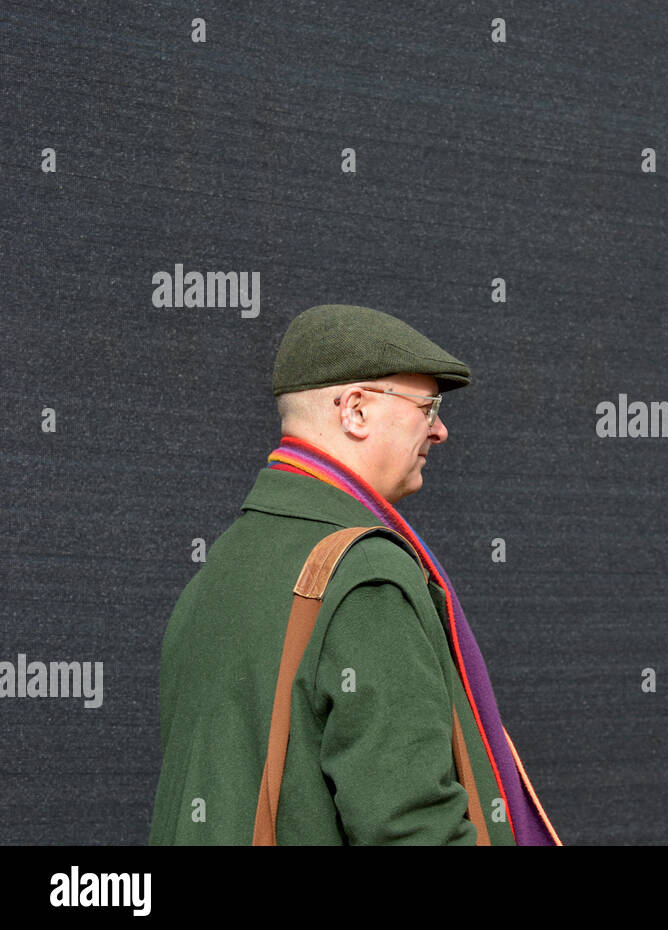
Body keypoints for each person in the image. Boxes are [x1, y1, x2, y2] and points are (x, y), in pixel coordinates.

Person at [149, 303, 560, 845]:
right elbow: (411, 828)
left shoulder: (227, 561)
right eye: (427, 406)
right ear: (357, 411)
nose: (440, 431)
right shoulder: (364, 573)